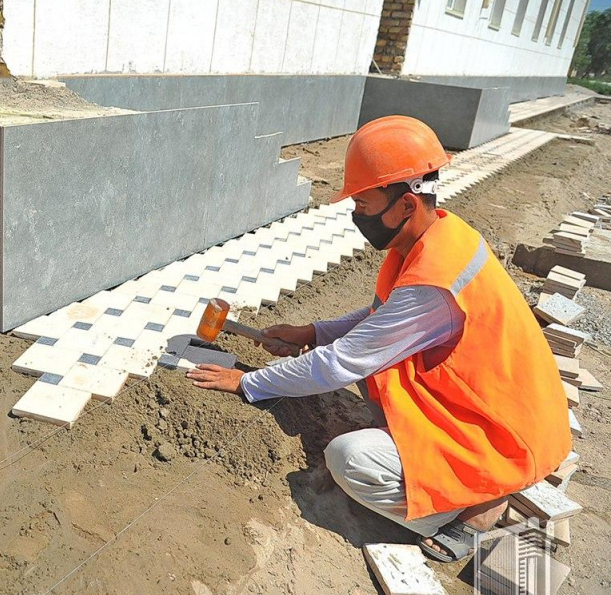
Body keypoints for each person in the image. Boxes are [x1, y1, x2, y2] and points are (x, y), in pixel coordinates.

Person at [186, 116, 572, 562]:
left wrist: (248, 383)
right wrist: (312, 333)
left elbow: (340, 364)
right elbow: (379, 318)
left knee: (350, 459)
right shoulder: (437, 239)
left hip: (501, 437)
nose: (357, 217)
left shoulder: (436, 283)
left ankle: (464, 510)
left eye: (364, 206)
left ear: (406, 205)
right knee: (378, 378)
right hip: (489, 407)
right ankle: (464, 481)